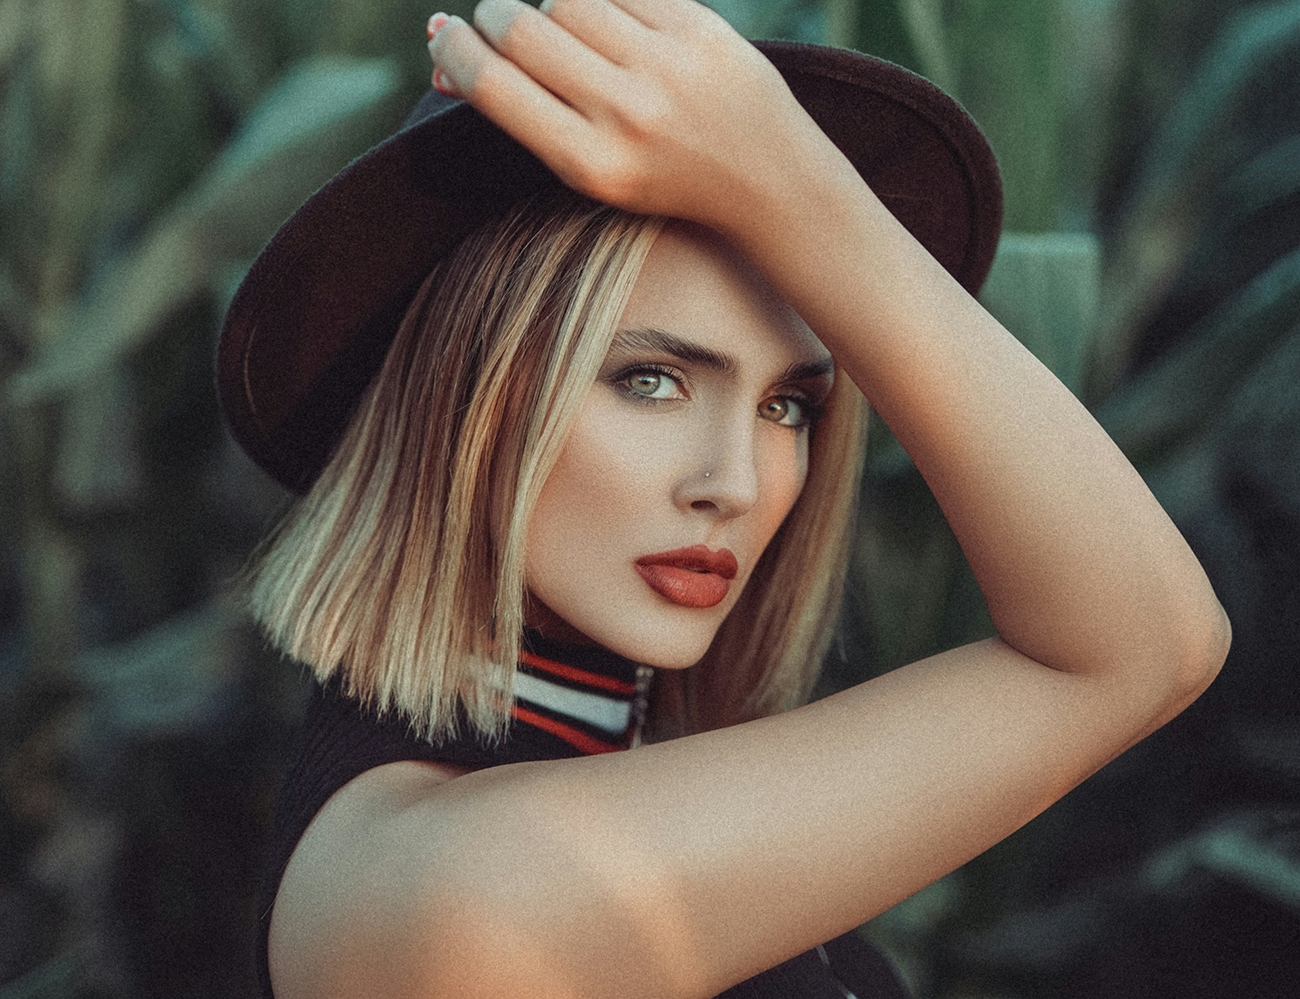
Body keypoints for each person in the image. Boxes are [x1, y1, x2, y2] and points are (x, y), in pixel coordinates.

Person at [217, 1, 1231, 996]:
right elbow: (1147, 646)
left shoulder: (580, 788)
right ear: (456, 396)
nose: (736, 485)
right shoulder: (452, 895)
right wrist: (788, 179)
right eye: (650, 380)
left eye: (788, 407)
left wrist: (777, 178)